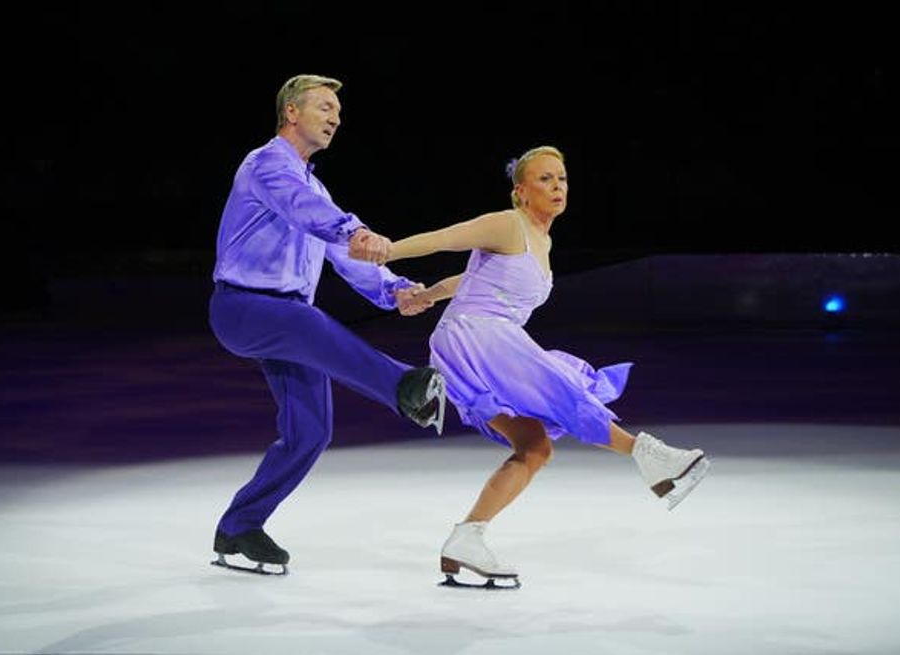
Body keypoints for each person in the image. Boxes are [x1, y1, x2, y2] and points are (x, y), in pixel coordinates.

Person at [361, 145, 710, 587]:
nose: (557, 186)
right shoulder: (509, 224)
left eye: (562, 178)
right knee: (564, 387)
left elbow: (473, 280)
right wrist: (388, 251)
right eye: (545, 179)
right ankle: (650, 456)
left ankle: (466, 538)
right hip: (477, 336)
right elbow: (447, 237)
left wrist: (429, 295)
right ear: (521, 192)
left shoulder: (542, 241)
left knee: (535, 447)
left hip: (484, 337)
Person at [208, 74, 446, 575]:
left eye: (338, 111)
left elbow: (343, 252)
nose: (335, 117)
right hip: (244, 309)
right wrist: (353, 227)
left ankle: (238, 527)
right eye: (324, 107)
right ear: (291, 113)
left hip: (285, 320)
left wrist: (394, 289)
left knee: (310, 431)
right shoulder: (268, 165)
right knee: (308, 324)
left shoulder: (314, 185)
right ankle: (403, 384)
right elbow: (312, 213)